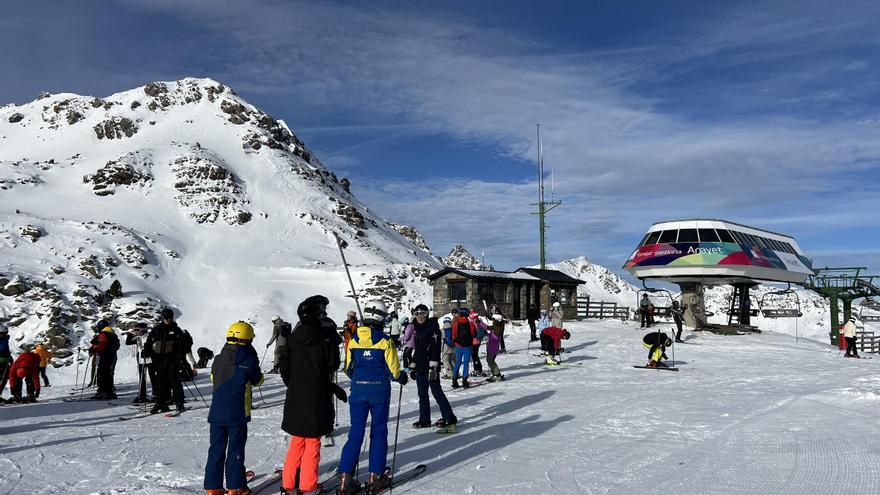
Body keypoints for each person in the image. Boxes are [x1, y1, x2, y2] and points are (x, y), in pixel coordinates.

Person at [337, 300, 408, 494]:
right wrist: (403, 377)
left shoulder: (354, 340)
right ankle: (376, 476)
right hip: (379, 392)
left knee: (356, 433)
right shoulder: (384, 341)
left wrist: (360, 379)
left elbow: (348, 369)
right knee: (378, 432)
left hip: (358, 391)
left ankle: (345, 478)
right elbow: (394, 372)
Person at [279, 295, 345, 494]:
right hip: (317, 396)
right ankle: (308, 486)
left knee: (297, 441)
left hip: (296, 396)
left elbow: (284, 367)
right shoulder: (324, 339)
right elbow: (333, 365)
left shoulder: (292, 339)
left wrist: (294, 385)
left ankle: (289, 484)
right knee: (313, 443)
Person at [204, 321, 264, 495]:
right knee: (235, 451)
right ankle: (235, 486)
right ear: (248, 340)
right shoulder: (249, 360)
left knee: (216, 449)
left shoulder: (217, 359)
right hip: (237, 414)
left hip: (216, 413)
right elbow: (258, 381)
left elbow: (212, 378)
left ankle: (213, 487)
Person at [409, 304, 456, 430]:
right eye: (417, 314)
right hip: (420, 367)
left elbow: (435, 349)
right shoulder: (416, 328)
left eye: (423, 314)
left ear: (427, 314)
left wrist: (433, 367)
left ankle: (449, 417)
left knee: (437, 392)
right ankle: (424, 419)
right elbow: (417, 350)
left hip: (430, 366)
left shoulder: (433, 328)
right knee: (422, 394)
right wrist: (413, 366)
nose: (420, 317)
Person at [145, 308, 187, 414]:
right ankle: (160, 403)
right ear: (162, 318)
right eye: (166, 318)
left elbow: (183, 345)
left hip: (172, 360)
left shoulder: (176, 330)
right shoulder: (157, 330)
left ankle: (179, 403)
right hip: (159, 360)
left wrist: (180, 358)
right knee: (160, 382)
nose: (168, 320)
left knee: (175, 381)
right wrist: (146, 351)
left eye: (170, 318)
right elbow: (149, 342)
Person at [89, 320, 120, 400]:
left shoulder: (103, 334)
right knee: (108, 374)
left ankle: (102, 392)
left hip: (104, 356)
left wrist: (94, 350)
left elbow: (101, 345)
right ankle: (109, 392)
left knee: (101, 374)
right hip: (111, 356)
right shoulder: (113, 334)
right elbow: (117, 346)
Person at [125, 323, 155, 403]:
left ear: (144, 329)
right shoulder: (138, 338)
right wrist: (130, 334)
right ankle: (142, 396)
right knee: (142, 378)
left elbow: (155, 346)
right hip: (141, 360)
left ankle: (156, 395)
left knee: (153, 377)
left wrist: (149, 351)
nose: (137, 332)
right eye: (135, 330)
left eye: (138, 330)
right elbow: (128, 342)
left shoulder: (150, 336)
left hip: (151, 360)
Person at [451, 308, 475, 389]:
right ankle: (464, 381)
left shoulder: (456, 323)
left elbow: (453, 335)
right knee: (466, 363)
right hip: (467, 346)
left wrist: (455, 342)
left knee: (457, 363)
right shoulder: (470, 323)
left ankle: (454, 381)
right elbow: (473, 334)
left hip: (458, 346)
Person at [486, 315, 505, 381]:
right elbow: (487, 327)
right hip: (494, 347)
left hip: (492, 348)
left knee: (490, 361)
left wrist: (487, 334)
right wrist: (480, 323)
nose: (492, 321)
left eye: (494, 319)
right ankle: (496, 374)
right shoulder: (497, 326)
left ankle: (497, 374)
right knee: (491, 361)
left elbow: (493, 337)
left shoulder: (497, 328)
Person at [468, 311, 486, 376]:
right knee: (475, 356)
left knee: (474, 356)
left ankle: (477, 370)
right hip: (476, 341)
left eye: (470, 317)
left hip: (475, 342)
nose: (470, 318)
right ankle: (478, 369)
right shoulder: (478, 322)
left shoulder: (476, 322)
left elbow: (480, 331)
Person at [0, 325, 11, 401]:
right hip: (1, 361)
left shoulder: (4, 339)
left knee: (4, 379)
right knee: (2, 378)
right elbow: (2, 348)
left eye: (5, 333)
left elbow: (6, 350)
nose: (4, 335)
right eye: (3, 333)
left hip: (5, 361)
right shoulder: (3, 339)